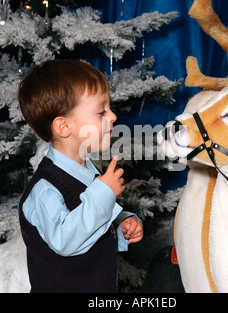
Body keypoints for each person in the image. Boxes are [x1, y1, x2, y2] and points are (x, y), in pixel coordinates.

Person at [18, 59, 143, 293]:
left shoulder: (88, 171)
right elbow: (65, 240)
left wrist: (121, 222)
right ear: (64, 127)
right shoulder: (46, 188)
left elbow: (91, 217)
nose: (113, 116)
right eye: (101, 111)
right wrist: (104, 193)